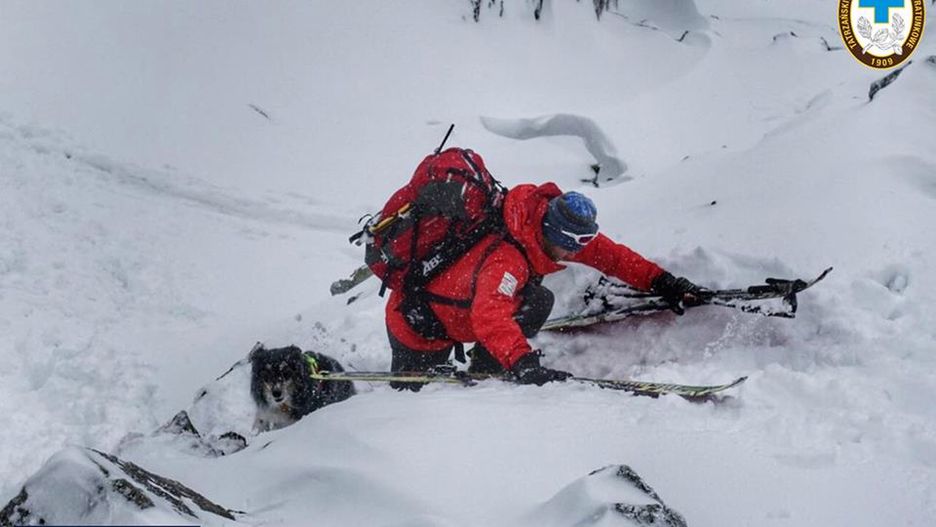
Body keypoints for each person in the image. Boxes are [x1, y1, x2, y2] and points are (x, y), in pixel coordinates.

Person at [384, 182, 703, 388]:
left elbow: (613, 257)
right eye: (571, 245)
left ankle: (488, 367)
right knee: (417, 404)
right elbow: (489, 315)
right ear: (553, 233)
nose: (576, 252)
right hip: (419, 326)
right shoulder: (507, 261)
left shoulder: (542, 226)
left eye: (581, 243)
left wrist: (664, 282)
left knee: (537, 300)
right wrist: (523, 361)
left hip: (457, 309)